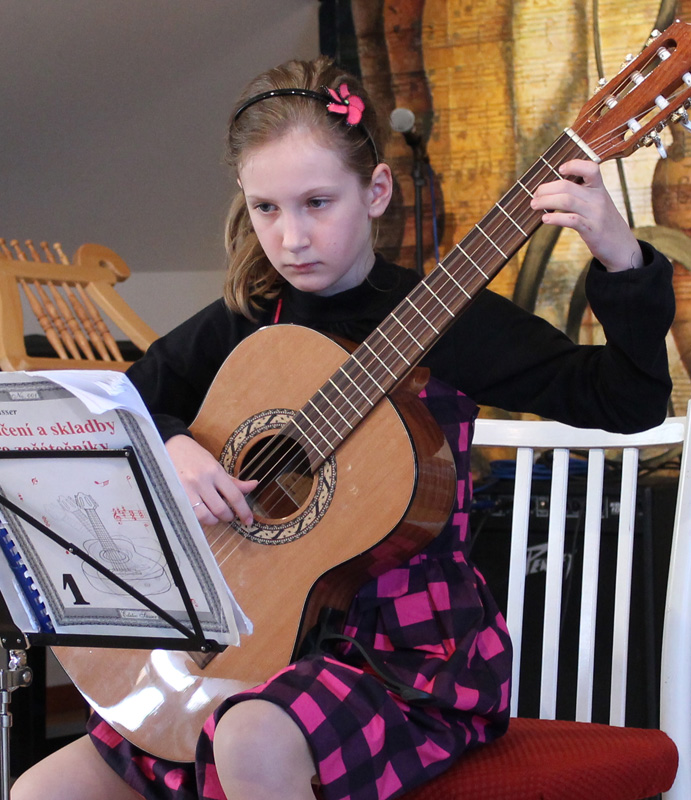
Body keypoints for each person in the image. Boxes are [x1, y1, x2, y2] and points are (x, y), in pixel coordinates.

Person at [12, 55, 674, 800]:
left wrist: (622, 259)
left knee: (250, 735)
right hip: (244, 629)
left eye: (317, 203)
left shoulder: (447, 320)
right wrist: (175, 447)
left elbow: (628, 402)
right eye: (266, 208)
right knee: (40, 792)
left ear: (376, 192)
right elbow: (113, 410)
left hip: (401, 655)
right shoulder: (246, 318)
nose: (291, 236)